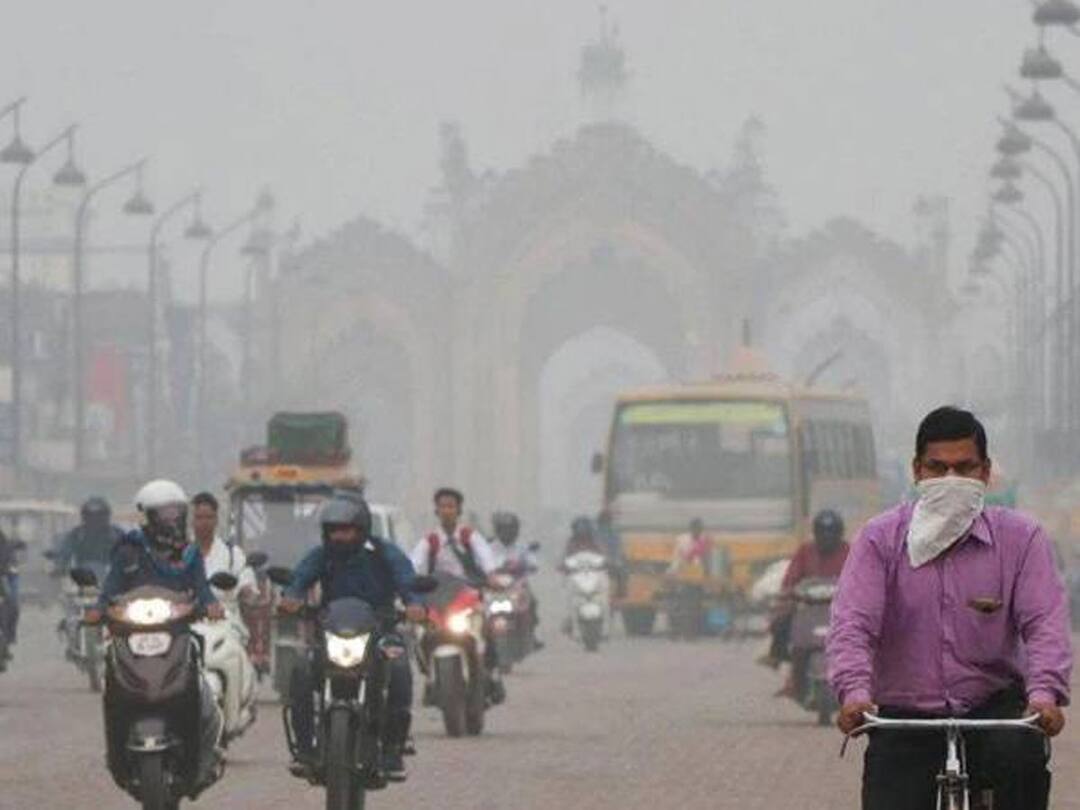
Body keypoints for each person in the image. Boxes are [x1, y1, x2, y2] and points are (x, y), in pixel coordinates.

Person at [827, 406, 1071, 810]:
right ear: (917, 471)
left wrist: (1045, 694)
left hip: (994, 708)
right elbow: (853, 624)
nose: (951, 480)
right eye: (938, 468)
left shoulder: (1021, 539)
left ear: (985, 472)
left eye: (965, 468)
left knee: (1023, 764)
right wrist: (854, 693)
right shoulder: (880, 540)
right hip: (905, 715)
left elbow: (1044, 623)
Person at [86, 480, 224, 793]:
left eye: (176, 512)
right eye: (164, 513)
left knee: (196, 686)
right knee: (113, 684)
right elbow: (110, 590)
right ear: (147, 517)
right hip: (130, 634)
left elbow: (201, 589)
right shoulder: (128, 550)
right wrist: (98, 610)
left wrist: (210, 605)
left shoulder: (189, 554)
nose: (171, 520)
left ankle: (197, 757)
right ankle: (117, 755)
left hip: (176, 632)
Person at [282, 494, 425, 781]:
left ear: (362, 529)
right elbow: (300, 578)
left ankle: (393, 748)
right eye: (334, 530)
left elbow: (406, 579)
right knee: (301, 670)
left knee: (398, 668)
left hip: (381, 631)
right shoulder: (322, 555)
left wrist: (414, 603)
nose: (340, 536)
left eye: (346, 530)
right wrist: (291, 597)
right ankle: (305, 748)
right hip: (332, 633)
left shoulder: (384, 552)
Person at [409, 487, 505, 702]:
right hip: (437, 599)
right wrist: (408, 583)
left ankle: (493, 675)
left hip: (468, 597)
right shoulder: (430, 541)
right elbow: (414, 565)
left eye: (451, 506)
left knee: (487, 629)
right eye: (442, 506)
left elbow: (486, 559)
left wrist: (492, 577)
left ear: (459, 510)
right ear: (436, 510)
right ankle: (429, 676)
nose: (447, 510)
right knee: (420, 633)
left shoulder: (470, 537)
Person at [762, 509, 849, 671]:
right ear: (815, 533)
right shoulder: (805, 552)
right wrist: (788, 592)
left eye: (832, 532)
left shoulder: (850, 552)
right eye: (822, 532)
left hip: (842, 608)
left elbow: (863, 577)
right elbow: (791, 579)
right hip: (809, 607)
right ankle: (777, 654)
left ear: (840, 533)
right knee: (781, 618)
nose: (827, 537)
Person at [490, 510, 542, 649]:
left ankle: (532, 634)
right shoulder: (490, 547)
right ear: (498, 530)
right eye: (504, 529)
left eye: (510, 529)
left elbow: (532, 562)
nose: (508, 532)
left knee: (532, 601)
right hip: (495, 585)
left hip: (517, 584)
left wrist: (529, 565)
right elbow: (482, 562)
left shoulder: (522, 547)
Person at [55, 496, 125, 579]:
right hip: (82, 576)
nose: (94, 519)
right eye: (90, 515)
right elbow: (65, 551)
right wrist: (60, 566)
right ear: (84, 516)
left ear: (106, 516)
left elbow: (129, 552)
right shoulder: (77, 534)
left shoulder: (116, 534)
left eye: (99, 515)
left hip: (111, 577)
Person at [595, 509, 627, 597]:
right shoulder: (611, 531)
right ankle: (621, 591)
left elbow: (617, 546)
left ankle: (620, 590)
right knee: (622, 573)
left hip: (601, 561)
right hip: (606, 561)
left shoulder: (595, 530)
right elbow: (617, 546)